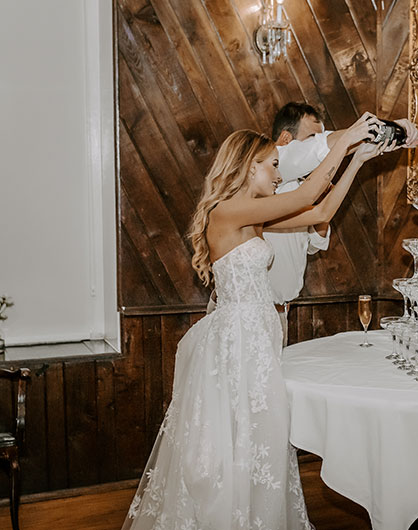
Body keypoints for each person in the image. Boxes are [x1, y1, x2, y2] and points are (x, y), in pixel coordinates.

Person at [123, 114, 388, 529]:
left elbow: (320, 208)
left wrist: (357, 161)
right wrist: (346, 139)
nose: (280, 173)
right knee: (234, 447)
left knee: (260, 444)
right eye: (274, 164)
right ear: (250, 167)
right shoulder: (226, 211)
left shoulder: (252, 217)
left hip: (258, 339)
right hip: (238, 343)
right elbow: (309, 192)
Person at [262, 102, 418, 345]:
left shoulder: (300, 182)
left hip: (283, 312)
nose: (324, 142)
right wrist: (380, 128)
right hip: (255, 313)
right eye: (312, 137)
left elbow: (314, 239)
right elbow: (320, 151)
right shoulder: (276, 167)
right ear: (286, 138)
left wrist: (359, 157)